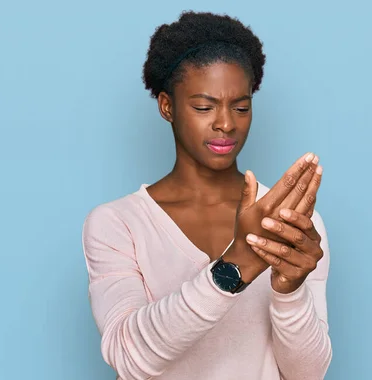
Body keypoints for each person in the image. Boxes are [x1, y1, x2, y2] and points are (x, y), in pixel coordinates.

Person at [82, 11, 332, 380]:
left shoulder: (290, 221)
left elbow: (306, 374)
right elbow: (129, 357)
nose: (226, 123)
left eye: (241, 107)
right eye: (203, 107)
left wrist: (289, 291)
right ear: (167, 106)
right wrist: (237, 265)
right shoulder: (117, 224)